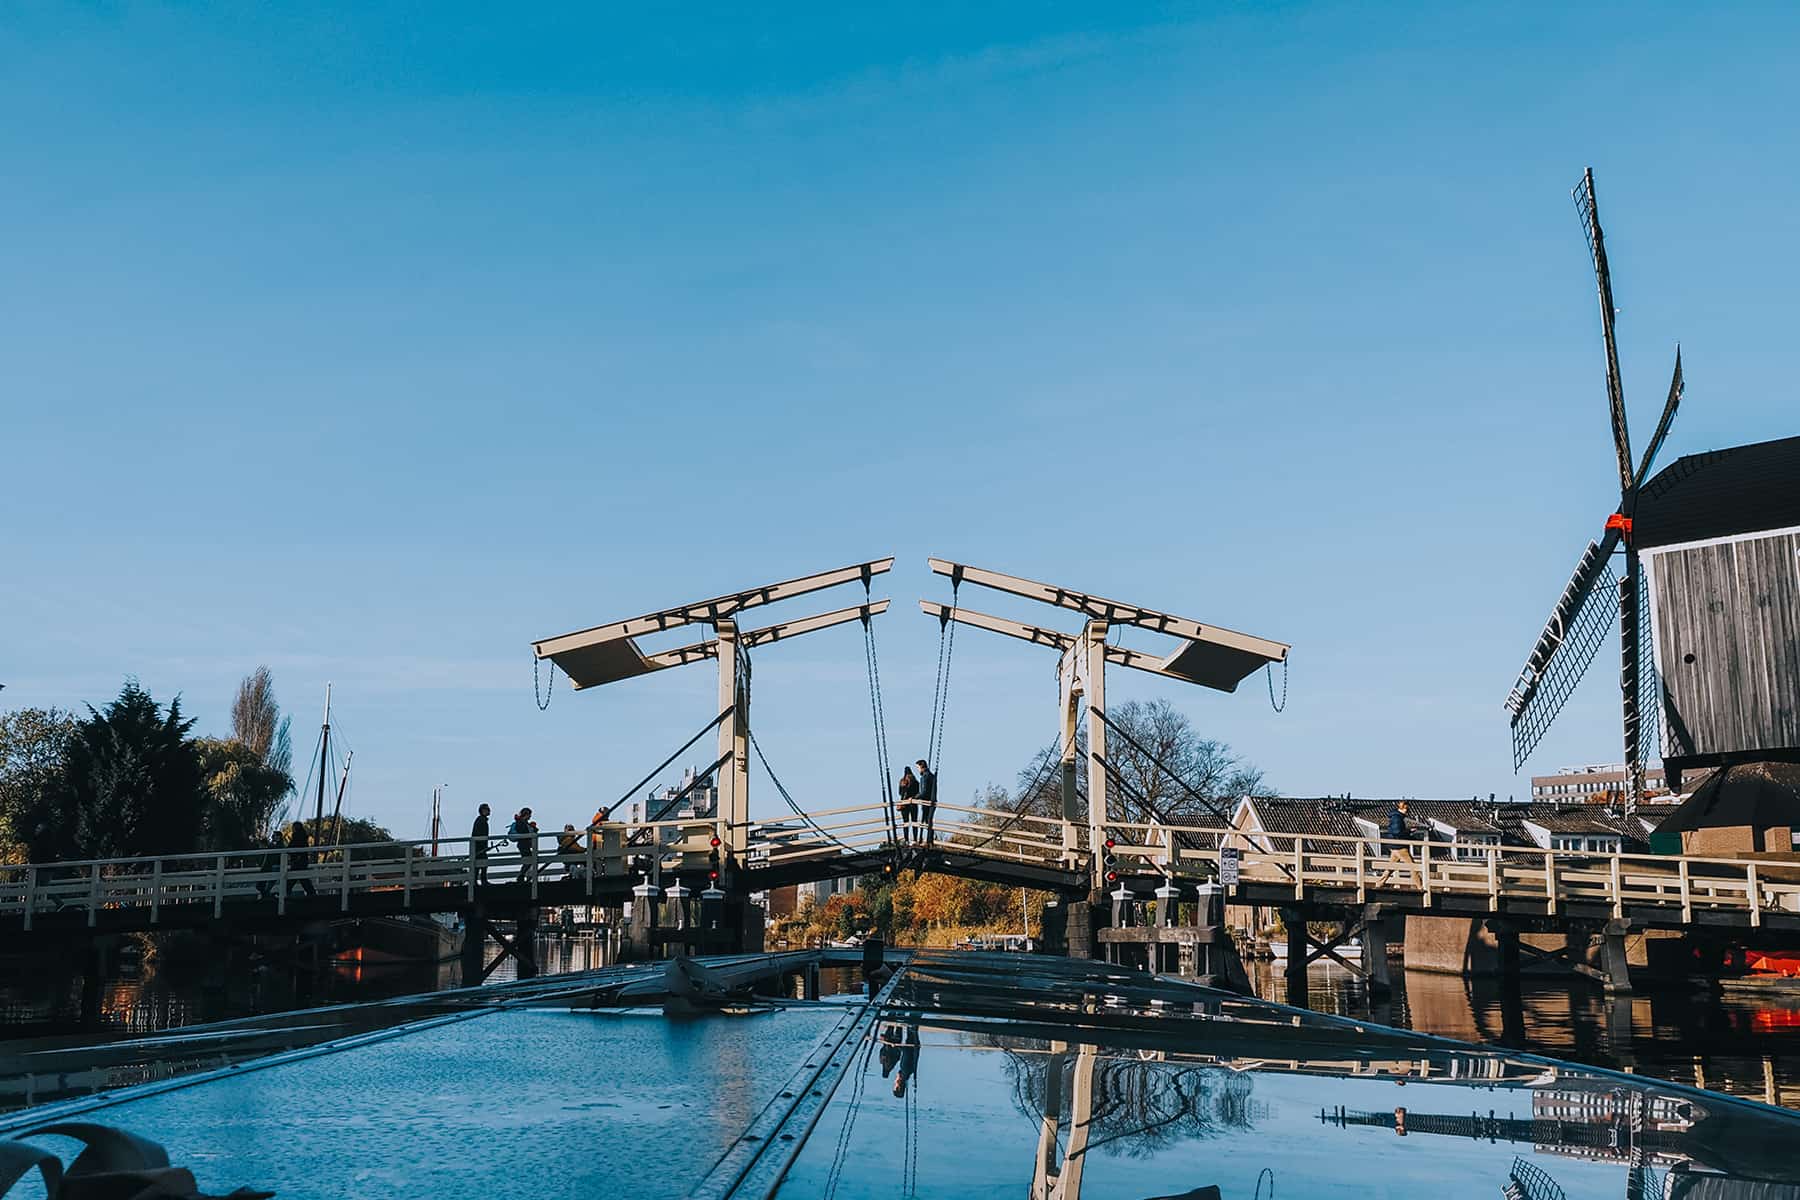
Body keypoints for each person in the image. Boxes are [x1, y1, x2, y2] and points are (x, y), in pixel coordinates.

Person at [1375, 799, 1417, 889]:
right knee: (1413, 867)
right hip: (1399, 846)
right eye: (1407, 810)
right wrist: (1409, 831)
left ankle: (1379, 883)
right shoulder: (1397, 818)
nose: (1407, 812)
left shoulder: (1396, 817)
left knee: (1391, 867)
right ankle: (1421, 886)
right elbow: (1397, 831)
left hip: (1394, 845)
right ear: (1403, 808)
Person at [287, 820, 316, 898]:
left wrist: (294, 856)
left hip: (298, 861)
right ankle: (311, 892)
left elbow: (292, 848)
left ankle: (285, 892)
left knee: (292, 878)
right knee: (302, 878)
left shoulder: (297, 837)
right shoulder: (303, 837)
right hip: (301, 861)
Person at [510, 807, 539, 882]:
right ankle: (521, 876)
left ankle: (522, 876)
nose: (530, 816)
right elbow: (524, 833)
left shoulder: (521, 822)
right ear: (526, 814)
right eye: (529, 814)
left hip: (523, 844)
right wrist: (532, 829)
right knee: (528, 860)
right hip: (523, 845)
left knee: (528, 860)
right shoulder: (522, 823)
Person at [915, 759, 937, 845]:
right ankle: (929, 841)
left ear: (921, 767)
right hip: (932, 801)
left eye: (918, 767)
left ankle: (922, 840)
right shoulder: (932, 776)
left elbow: (923, 792)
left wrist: (914, 797)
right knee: (928, 821)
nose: (918, 770)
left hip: (926, 802)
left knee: (925, 821)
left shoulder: (924, 776)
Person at [896, 766, 920, 844]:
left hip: (904, 804)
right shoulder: (915, 782)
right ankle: (915, 839)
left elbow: (899, 792)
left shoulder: (902, 781)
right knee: (914, 822)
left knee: (905, 822)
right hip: (913, 803)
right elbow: (918, 792)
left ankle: (906, 839)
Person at [470, 803, 491, 886]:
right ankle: (481, 881)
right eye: (487, 809)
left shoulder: (481, 820)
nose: (489, 811)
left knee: (480, 864)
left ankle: (477, 881)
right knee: (481, 863)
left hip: (479, 846)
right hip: (479, 847)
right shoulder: (481, 820)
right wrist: (483, 845)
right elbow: (479, 834)